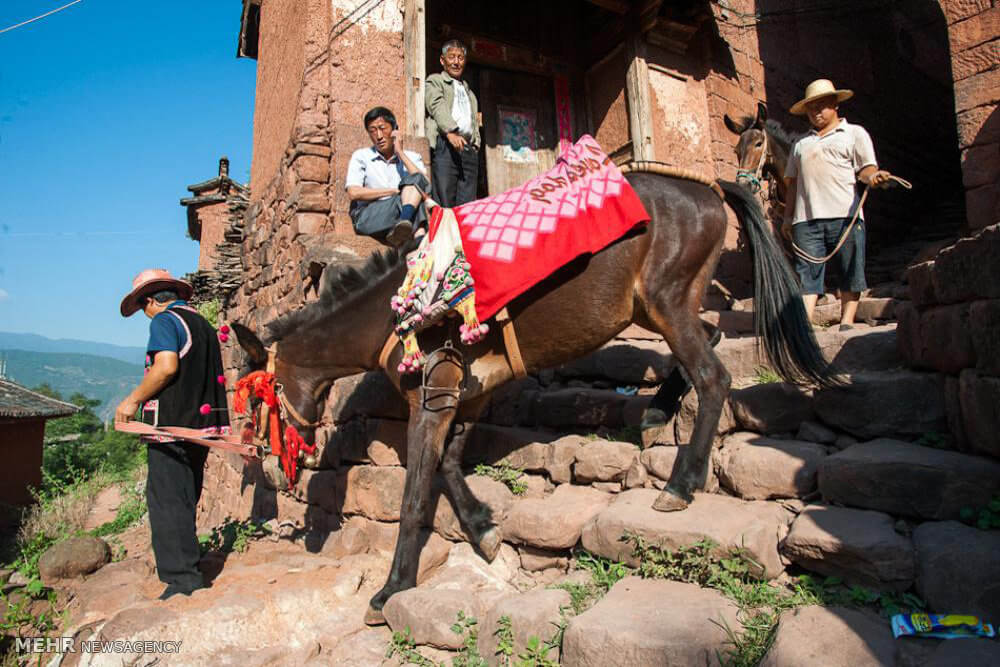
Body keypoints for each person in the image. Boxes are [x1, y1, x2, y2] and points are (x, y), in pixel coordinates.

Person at [115, 269, 228, 601]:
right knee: (185, 495)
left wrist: (132, 399)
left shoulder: (164, 322)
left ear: (150, 300)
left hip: (171, 426)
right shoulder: (202, 326)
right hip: (201, 426)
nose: (145, 315)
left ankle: (182, 580)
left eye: (143, 308)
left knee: (166, 499)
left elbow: (166, 367)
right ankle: (189, 563)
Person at [783, 79, 892, 330]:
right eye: (811, 108)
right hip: (805, 219)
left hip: (846, 215)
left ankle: (846, 321)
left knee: (850, 267)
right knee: (806, 272)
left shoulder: (854, 134)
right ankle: (805, 324)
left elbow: (865, 168)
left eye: (821, 106)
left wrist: (874, 177)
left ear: (835, 106)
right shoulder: (800, 144)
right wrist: (788, 217)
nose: (816, 112)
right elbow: (793, 184)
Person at [346, 106, 430, 247]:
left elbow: (425, 184)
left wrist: (400, 154)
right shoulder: (361, 156)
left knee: (416, 182)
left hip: (399, 213)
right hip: (368, 217)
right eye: (372, 131)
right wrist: (393, 191)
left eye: (383, 128)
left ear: (394, 130)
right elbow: (353, 193)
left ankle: (404, 226)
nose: (378, 136)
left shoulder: (412, 157)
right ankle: (413, 234)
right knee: (410, 202)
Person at [425, 39, 480, 207]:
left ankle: (461, 234)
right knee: (445, 201)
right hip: (446, 145)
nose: (456, 62)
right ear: (443, 60)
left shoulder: (468, 91)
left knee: (467, 205)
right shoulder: (435, 81)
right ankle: (444, 234)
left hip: (467, 148)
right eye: (451, 57)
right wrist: (450, 132)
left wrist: (476, 144)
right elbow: (436, 105)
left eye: (460, 58)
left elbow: (473, 121)